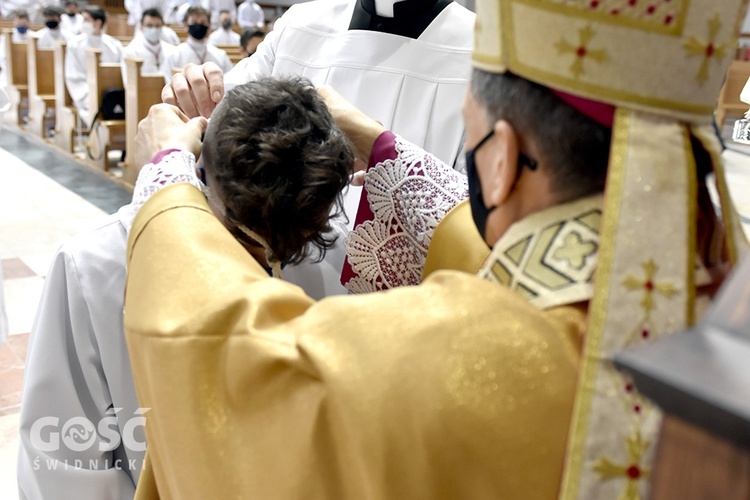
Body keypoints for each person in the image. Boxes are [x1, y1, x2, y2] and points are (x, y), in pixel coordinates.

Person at [124, 0, 748, 498]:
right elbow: (504, 264)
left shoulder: (435, 361)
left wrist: (168, 176)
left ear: (499, 163)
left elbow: (226, 359)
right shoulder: (717, 304)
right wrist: (383, 148)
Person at [17, 75, 353, 500]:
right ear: (199, 177)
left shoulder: (328, 242)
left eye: (290, 248)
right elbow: (63, 459)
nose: (265, 263)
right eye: (246, 238)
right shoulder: (94, 265)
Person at [163, 0, 476, 298]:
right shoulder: (300, 26)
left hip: (398, 315)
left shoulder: (480, 53)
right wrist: (194, 92)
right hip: (257, 286)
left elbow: (480, 226)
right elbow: (215, 125)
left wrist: (380, 146)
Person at [64, 5, 124, 126]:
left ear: (97, 22)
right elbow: (73, 75)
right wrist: (90, 93)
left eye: (86, 20)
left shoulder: (114, 45)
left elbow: (120, 72)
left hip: (110, 93)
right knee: (93, 105)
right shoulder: (75, 44)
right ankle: (97, 139)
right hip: (84, 92)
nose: (83, 23)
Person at [166, 6, 232, 74]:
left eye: (202, 23)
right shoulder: (174, 56)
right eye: (194, 22)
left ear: (209, 26)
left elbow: (230, 81)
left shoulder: (220, 56)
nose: (198, 26)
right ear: (185, 25)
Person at [121, 8, 175, 85]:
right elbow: (129, 84)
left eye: (157, 26)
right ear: (141, 27)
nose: (154, 29)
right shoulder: (130, 51)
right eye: (149, 25)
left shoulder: (172, 50)